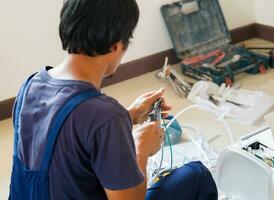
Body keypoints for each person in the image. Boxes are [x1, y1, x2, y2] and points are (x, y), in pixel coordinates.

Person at [9, 0, 218, 199]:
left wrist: (128, 116)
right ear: (117, 45)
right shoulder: (105, 115)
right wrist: (141, 149)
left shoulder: (30, 85)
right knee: (197, 176)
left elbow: (65, 142)